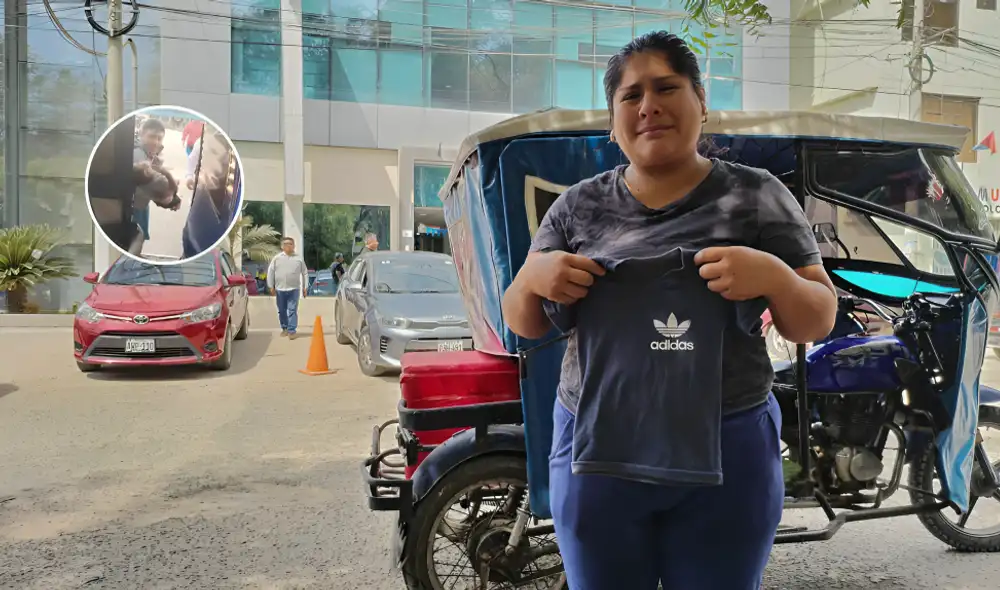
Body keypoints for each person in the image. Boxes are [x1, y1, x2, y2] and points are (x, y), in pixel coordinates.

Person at [501, 31, 837, 590]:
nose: (648, 106)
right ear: (613, 122)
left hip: (727, 452)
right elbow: (524, 321)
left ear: (701, 101)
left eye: (666, 88)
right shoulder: (577, 206)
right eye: (631, 95)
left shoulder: (757, 195)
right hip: (595, 452)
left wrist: (774, 277)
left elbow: (817, 319)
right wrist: (531, 279)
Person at [266, 237, 308, 339]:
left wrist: (305, 287)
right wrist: (271, 286)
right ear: (282, 246)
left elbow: (305, 273)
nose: (288, 246)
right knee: (282, 310)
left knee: (292, 310)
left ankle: (292, 331)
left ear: (294, 246)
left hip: (294, 289)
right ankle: (284, 328)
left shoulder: (299, 259)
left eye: (290, 244)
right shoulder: (277, 258)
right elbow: (270, 272)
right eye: (286, 244)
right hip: (280, 289)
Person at [133, 118, 167, 240]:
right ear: (141, 135)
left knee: (139, 238)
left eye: (159, 138)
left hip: (141, 205)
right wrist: (166, 198)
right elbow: (146, 186)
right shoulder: (138, 154)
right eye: (152, 137)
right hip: (133, 207)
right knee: (136, 240)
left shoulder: (149, 154)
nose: (156, 142)